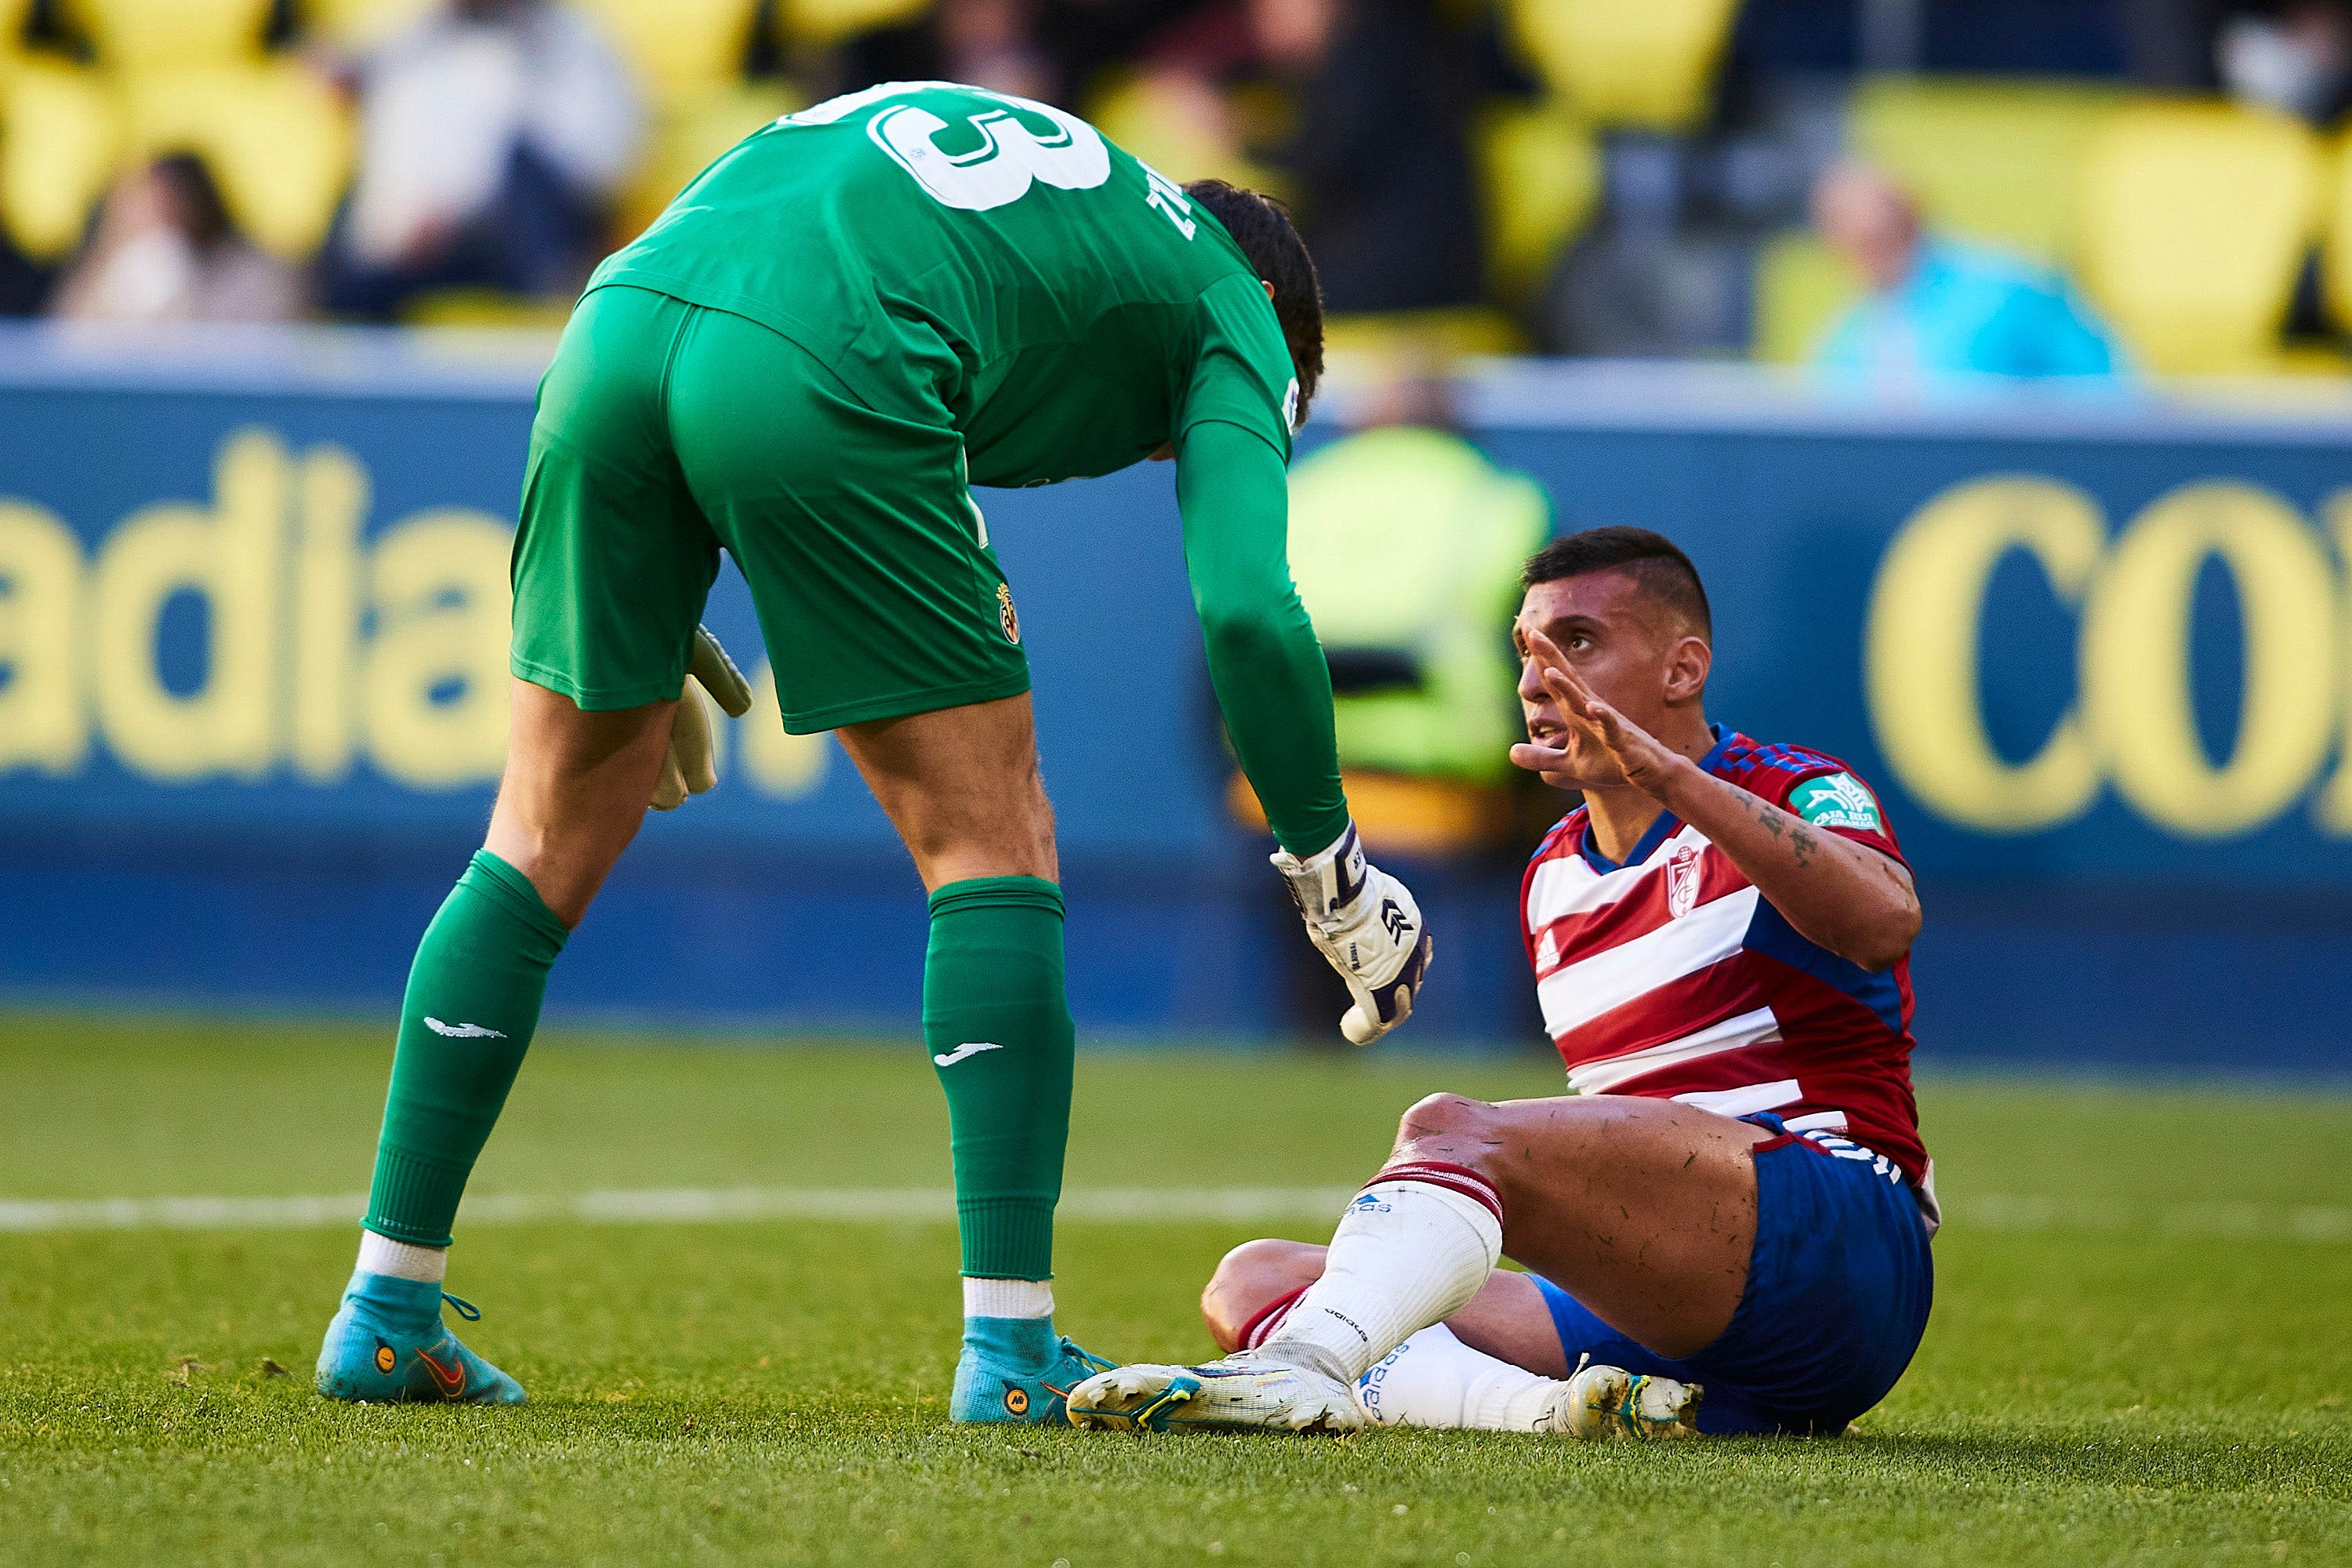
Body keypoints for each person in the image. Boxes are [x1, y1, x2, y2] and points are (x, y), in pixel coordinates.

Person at [310, 82, 1433, 1425]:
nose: (1153, 453)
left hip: (617, 330)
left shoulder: (1084, 203)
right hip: (828, 355)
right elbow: (1249, 604)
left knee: (539, 836)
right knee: (991, 840)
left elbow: (771, 234)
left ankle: (386, 1308)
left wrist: (663, 560)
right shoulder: (1231, 301)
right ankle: (1012, 1348)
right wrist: (1331, 864)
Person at [1068, 526, 1936, 1438]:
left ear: (1683, 670)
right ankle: (1571, 1412)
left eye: (1580, 641)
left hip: (1837, 1249)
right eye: (1525, 649)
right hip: (1670, 1299)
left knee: (1451, 1130)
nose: (1535, 677)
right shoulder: (1551, 873)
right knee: (1256, 1278)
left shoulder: (1795, 787)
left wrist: (1674, 778)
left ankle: (1298, 1369)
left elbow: (1882, 923)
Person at [319, 0, 639, 318]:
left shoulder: (571, 41)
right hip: (440, 239)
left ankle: (556, 291)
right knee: (355, 281)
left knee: (525, 164)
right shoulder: (421, 42)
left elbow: (597, 160)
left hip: (531, 232)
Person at [1809, 161, 2122, 388]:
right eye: (1847, 236)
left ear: (1912, 217)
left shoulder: (2007, 291)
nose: (1868, 251)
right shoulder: (1847, 340)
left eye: (1881, 236)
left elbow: (2105, 389)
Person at [51, 154, 305, 324]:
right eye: (139, 204)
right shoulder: (99, 270)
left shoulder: (256, 276)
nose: (152, 216)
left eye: (167, 203)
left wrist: (175, 288)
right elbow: (65, 343)